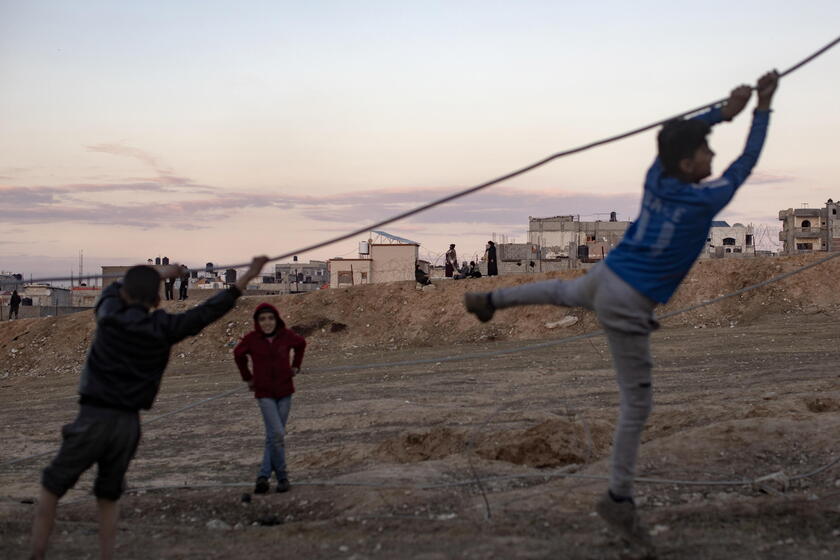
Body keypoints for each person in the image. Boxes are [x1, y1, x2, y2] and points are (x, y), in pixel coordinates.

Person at [464, 72, 779, 554]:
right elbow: (747, 162)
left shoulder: (657, 178)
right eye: (707, 153)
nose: (714, 159)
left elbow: (680, 140)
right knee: (637, 407)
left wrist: (724, 114)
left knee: (563, 291)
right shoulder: (705, 200)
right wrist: (760, 109)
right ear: (689, 162)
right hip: (628, 300)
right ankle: (618, 499)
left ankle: (490, 301)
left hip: (607, 277)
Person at [30, 256, 268, 560]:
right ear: (157, 300)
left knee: (52, 487)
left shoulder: (110, 313)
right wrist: (247, 277)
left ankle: (37, 554)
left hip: (94, 416)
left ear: (126, 293)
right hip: (128, 425)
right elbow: (208, 311)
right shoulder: (165, 327)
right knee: (108, 496)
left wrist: (162, 273)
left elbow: (116, 288)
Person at [233, 303, 306, 494]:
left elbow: (300, 344)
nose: (267, 322)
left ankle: (263, 476)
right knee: (277, 435)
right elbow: (238, 354)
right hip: (264, 393)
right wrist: (247, 378)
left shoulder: (285, 336)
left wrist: (296, 365)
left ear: (277, 319)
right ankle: (282, 477)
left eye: (270, 318)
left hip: (284, 392)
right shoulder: (252, 339)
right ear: (257, 322)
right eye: (262, 319)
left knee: (273, 436)